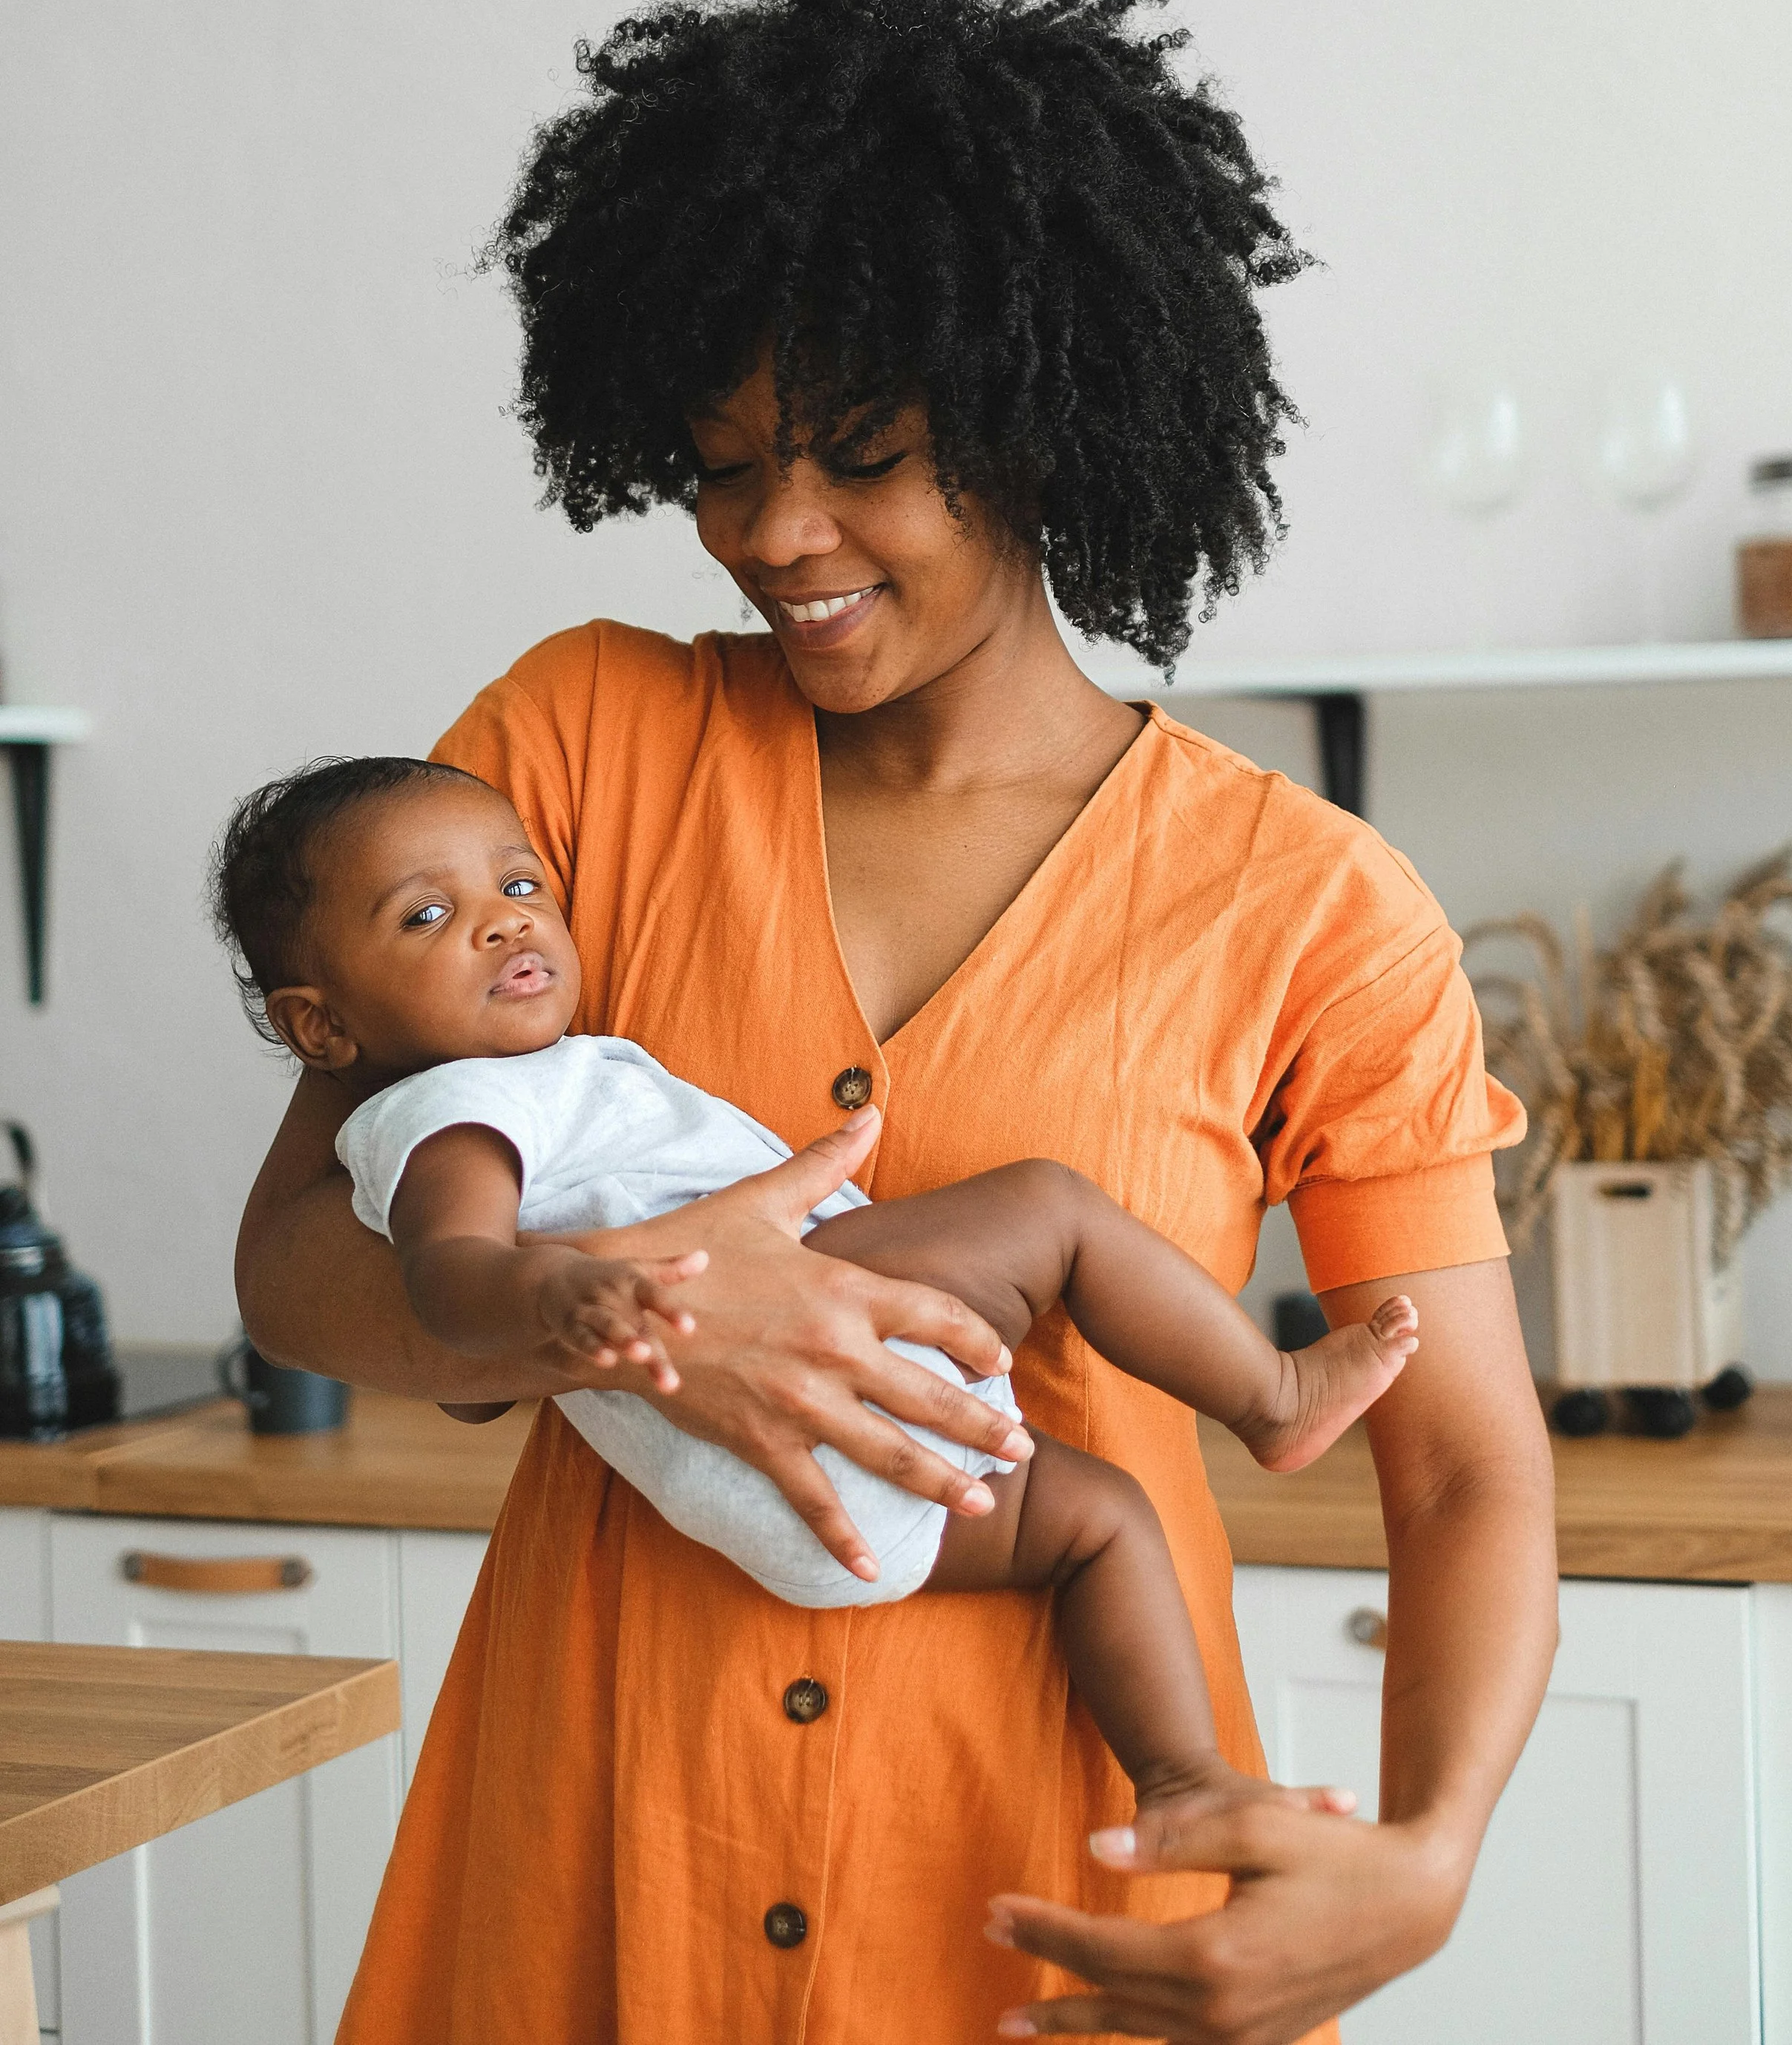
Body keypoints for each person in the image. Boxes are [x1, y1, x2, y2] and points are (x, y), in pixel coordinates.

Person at [235, 0, 1558, 2045]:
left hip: (1050, 1887)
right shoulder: (569, 751)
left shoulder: (1304, 897)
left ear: (1041, 418)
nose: (774, 533)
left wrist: (1424, 1851)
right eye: (724, 461)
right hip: (594, 1849)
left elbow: (1465, 1461)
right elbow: (300, 1254)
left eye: (858, 453)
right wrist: (649, 1307)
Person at [213, 753, 1419, 1833]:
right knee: (1049, 1209)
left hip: (823, 1439)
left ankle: (1181, 1777)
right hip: (790, 1412)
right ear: (320, 1026)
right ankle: (1268, 1394)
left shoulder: (546, 1076)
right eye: (427, 915)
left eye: (521, 887)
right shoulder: (449, 1113)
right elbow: (447, 1280)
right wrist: (563, 1301)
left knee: (1102, 1520)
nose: (497, 923)